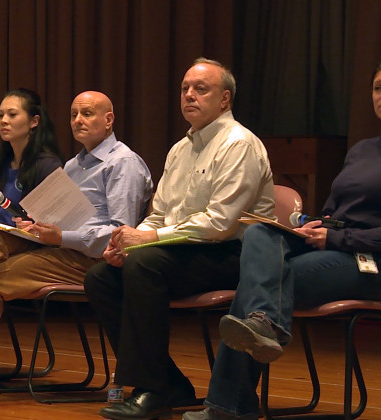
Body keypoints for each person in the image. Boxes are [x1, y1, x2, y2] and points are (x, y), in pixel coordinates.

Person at [181, 58, 381, 420]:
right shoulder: (362, 150)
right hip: (336, 247)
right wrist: (313, 225)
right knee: (261, 231)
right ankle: (263, 329)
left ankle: (231, 402)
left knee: (264, 283)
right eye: (377, 87)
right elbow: (334, 213)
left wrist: (337, 239)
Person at [0, 90, 154, 403]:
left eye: (88, 113)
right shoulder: (74, 165)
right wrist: (38, 226)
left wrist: (60, 236)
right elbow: (62, 217)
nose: (78, 120)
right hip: (59, 247)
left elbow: (121, 236)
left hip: (95, 262)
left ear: (109, 120)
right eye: (74, 114)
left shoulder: (123, 163)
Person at [85, 58, 276, 420]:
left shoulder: (239, 144)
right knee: (101, 278)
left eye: (200, 89)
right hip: (183, 251)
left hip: (235, 255)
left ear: (224, 100)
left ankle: (151, 391)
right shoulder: (179, 149)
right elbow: (160, 214)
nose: (189, 94)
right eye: (185, 88)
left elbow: (220, 223)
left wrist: (148, 239)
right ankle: (170, 384)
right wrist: (130, 239)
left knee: (144, 265)